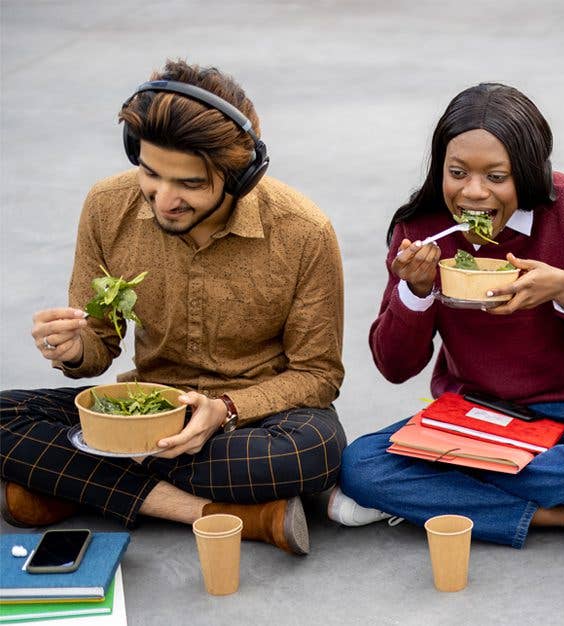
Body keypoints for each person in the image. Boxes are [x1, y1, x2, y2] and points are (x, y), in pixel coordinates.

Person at [0, 59, 347, 555]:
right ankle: (218, 514)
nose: (164, 199)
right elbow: (98, 345)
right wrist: (75, 348)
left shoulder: (304, 232)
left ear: (241, 175)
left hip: (249, 422)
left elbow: (317, 375)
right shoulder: (106, 206)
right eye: (150, 173)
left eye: (189, 184)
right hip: (145, 412)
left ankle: (69, 480)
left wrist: (226, 409)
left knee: (315, 452)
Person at [329, 83, 564, 554]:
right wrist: (416, 292)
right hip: (472, 413)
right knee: (361, 465)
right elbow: (394, 366)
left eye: (496, 176)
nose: (474, 193)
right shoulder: (421, 232)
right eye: (457, 172)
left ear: (526, 172)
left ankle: (430, 500)